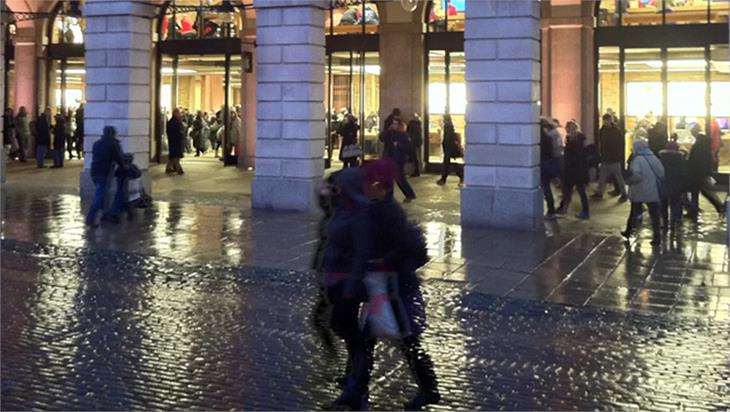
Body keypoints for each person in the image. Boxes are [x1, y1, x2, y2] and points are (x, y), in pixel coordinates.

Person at [326, 160, 439, 411]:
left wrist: (383, 262)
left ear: (379, 185)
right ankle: (355, 391)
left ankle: (429, 388)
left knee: (407, 341)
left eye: (367, 181)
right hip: (381, 288)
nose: (363, 185)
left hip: (396, 288)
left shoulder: (389, 212)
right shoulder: (374, 208)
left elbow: (412, 249)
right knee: (368, 342)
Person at [621, 140, 665, 246]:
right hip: (652, 190)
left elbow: (637, 176)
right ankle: (657, 237)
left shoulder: (637, 160)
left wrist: (628, 181)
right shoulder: (654, 158)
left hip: (639, 190)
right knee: (654, 215)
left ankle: (628, 231)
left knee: (634, 212)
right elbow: (661, 173)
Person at [85, 126, 126, 227]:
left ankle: (105, 214)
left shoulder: (97, 143)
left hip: (94, 171)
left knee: (104, 193)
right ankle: (91, 218)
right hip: (105, 172)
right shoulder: (113, 144)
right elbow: (119, 158)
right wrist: (124, 167)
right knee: (100, 195)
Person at [686, 123, 725, 219]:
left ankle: (720, 207)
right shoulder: (704, 143)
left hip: (698, 172)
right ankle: (719, 207)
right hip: (703, 171)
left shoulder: (699, 144)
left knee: (702, 192)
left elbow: (695, 159)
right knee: (704, 191)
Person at [557, 120, 590, 219]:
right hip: (578, 169)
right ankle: (566, 207)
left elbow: (573, 155)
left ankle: (565, 207)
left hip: (573, 169)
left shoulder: (573, 140)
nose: (566, 129)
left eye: (567, 127)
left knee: (570, 189)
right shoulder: (579, 139)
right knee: (577, 190)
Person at [592, 113, 628, 201]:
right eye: (604, 121)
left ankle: (624, 194)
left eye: (607, 120)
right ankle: (600, 192)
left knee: (618, 178)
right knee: (602, 177)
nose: (605, 122)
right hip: (606, 158)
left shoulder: (615, 131)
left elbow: (621, 144)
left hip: (613, 158)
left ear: (610, 120)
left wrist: (618, 154)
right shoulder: (604, 130)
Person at [381, 117, 416, 202]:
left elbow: (409, 147)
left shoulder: (404, 135)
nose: (394, 125)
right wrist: (387, 130)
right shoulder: (390, 133)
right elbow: (382, 138)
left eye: (396, 124)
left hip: (398, 159)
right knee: (388, 178)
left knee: (399, 178)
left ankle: (409, 194)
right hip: (388, 157)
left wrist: (399, 145)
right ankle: (388, 196)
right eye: (393, 124)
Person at [658, 140, 688, 230]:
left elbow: (658, 173)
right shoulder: (681, 161)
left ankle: (664, 222)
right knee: (675, 203)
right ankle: (674, 221)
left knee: (663, 204)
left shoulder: (661, 160)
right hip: (676, 186)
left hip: (663, 185)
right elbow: (684, 174)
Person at [540, 118, 561, 219]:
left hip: (543, 164)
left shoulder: (540, 137)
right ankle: (551, 210)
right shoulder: (548, 137)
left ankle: (550, 210)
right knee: (546, 188)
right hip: (548, 163)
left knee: (545, 188)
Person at [436, 114, 464, 186]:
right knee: (447, 165)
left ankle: (460, 175)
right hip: (449, 148)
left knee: (447, 165)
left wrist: (446, 149)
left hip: (449, 149)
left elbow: (448, 139)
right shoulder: (449, 126)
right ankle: (459, 175)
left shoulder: (447, 126)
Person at [166, 108, 185, 175]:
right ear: (175, 114)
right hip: (175, 142)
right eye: (178, 113)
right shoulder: (174, 122)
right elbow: (178, 132)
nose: (180, 114)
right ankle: (179, 169)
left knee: (173, 156)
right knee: (176, 156)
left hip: (175, 141)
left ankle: (168, 168)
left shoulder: (174, 121)